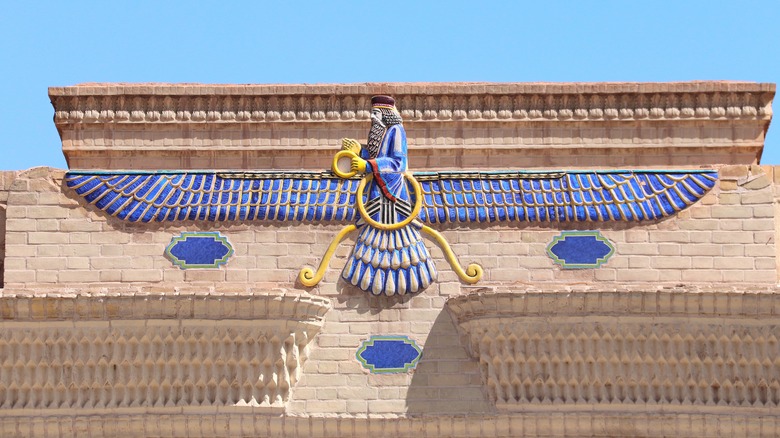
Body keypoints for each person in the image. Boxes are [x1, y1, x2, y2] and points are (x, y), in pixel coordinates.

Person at [340, 96, 436, 296]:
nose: (373, 118)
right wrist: (359, 152)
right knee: (372, 239)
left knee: (397, 239)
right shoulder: (382, 132)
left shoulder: (396, 131)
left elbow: (396, 163)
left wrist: (366, 165)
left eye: (376, 114)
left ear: (386, 115)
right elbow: (377, 156)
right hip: (377, 195)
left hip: (393, 194)